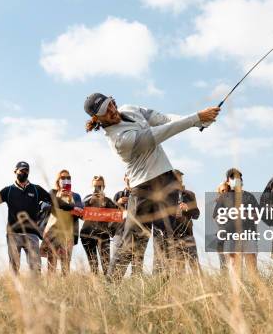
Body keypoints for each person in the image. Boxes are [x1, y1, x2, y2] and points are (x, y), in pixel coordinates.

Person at [83, 92, 220, 279]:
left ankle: (162, 289)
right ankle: (111, 287)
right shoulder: (119, 140)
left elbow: (164, 120)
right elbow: (158, 134)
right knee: (132, 243)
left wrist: (199, 122)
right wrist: (196, 117)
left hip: (167, 180)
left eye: (110, 105)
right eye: (104, 112)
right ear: (96, 119)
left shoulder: (130, 109)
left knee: (169, 239)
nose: (111, 111)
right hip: (143, 189)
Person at [0, 162, 80, 275]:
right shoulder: (8, 190)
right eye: (21, 170)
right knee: (14, 267)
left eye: (26, 170)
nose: (24, 173)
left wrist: (71, 207)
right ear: (15, 171)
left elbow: (54, 201)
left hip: (31, 235)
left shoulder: (36, 190)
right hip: (13, 234)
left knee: (36, 268)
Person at [213, 168, 260, 275]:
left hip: (249, 235)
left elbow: (258, 215)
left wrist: (245, 214)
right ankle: (236, 290)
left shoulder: (249, 196)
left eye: (238, 177)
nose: (236, 179)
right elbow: (215, 216)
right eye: (233, 177)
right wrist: (229, 215)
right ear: (228, 181)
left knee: (252, 263)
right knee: (233, 264)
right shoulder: (224, 197)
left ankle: (256, 289)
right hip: (230, 236)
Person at [41, 169, 84, 275]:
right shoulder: (53, 192)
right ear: (58, 180)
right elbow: (44, 207)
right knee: (52, 264)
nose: (66, 180)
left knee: (66, 265)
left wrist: (71, 200)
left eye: (68, 178)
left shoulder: (76, 195)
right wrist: (57, 198)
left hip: (67, 234)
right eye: (63, 178)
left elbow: (81, 211)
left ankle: (65, 289)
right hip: (53, 232)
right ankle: (50, 288)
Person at [80, 176, 119, 275]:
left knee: (106, 265)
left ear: (104, 187)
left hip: (103, 235)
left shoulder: (108, 200)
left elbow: (116, 217)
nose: (97, 189)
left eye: (99, 186)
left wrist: (104, 203)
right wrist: (90, 202)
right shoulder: (87, 199)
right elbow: (79, 214)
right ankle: (94, 287)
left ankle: (107, 287)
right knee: (93, 265)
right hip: (87, 234)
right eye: (95, 186)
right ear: (91, 187)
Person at [112, 175, 145, 274]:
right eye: (127, 176)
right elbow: (110, 215)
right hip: (120, 232)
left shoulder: (141, 195)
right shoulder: (118, 195)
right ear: (124, 178)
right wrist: (118, 203)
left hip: (136, 232)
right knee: (117, 260)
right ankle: (113, 285)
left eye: (131, 176)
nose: (129, 178)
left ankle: (135, 285)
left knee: (137, 264)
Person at [172, 170, 201, 274]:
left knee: (194, 266)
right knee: (179, 270)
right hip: (173, 236)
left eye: (179, 177)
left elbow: (196, 214)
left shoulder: (190, 194)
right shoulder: (167, 197)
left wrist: (188, 208)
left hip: (188, 234)